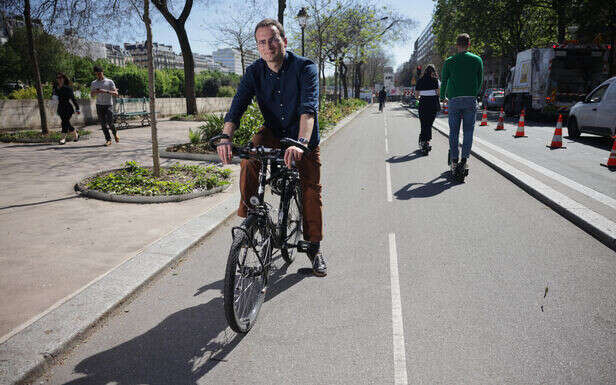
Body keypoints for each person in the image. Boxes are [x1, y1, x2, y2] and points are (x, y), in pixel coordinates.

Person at [217, 18, 326, 277]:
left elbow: (308, 109)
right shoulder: (254, 71)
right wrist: (225, 138)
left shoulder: (305, 68)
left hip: (303, 137)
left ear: (284, 41)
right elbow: (237, 106)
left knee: (311, 190)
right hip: (274, 132)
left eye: (273, 40)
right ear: (258, 47)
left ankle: (315, 248)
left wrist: (301, 144)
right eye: (262, 42)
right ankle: (250, 220)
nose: (268, 46)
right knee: (249, 156)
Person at [440, 33, 483, 176]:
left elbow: (444, 80)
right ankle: (464, 161)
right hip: (470, 99)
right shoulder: (477, 60)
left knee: (453, 132)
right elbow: (480, 80)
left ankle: (453, 160)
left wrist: (442, 97)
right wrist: (473, 93)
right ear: (469, 45)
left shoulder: (449, 61)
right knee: (468, 132)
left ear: (456, 45)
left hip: (454, 100)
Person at [90, 66, 119, 146]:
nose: (99, 75)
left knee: (110, 122)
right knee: (103, 124)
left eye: (100, 73)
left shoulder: (109, 82)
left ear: (102, 72)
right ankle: (108, 140)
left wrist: (105, 91)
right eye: (97, 74)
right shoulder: (94, 83)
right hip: (99, 105)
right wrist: (96, 92)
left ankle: (115, 133)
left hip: (108, 105)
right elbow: (92, 95)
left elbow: (116, 94)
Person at [414, 64, 440, 149]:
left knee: (424, 123)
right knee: (429, 124)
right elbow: (438, 93)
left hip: (423, 104)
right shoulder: (435, 80)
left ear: (425, 71)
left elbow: (417, 96)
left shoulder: (420, 80)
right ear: (433, 71)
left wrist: (423, 94)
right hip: (433, 104)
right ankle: (426, 140)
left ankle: (423, 140)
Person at [53, 72, 80, 144]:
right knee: (66, 123)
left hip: (68, 108)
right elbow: (54, 95)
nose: (59, 79)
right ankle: (76, 134)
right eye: (58, 78)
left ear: (64, 79)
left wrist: (77, 108)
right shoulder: (56, 87)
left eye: (61, 78)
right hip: (60, 108)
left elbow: (73, 99)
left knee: (64, 122)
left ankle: (63, 139)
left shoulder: (68, 88)